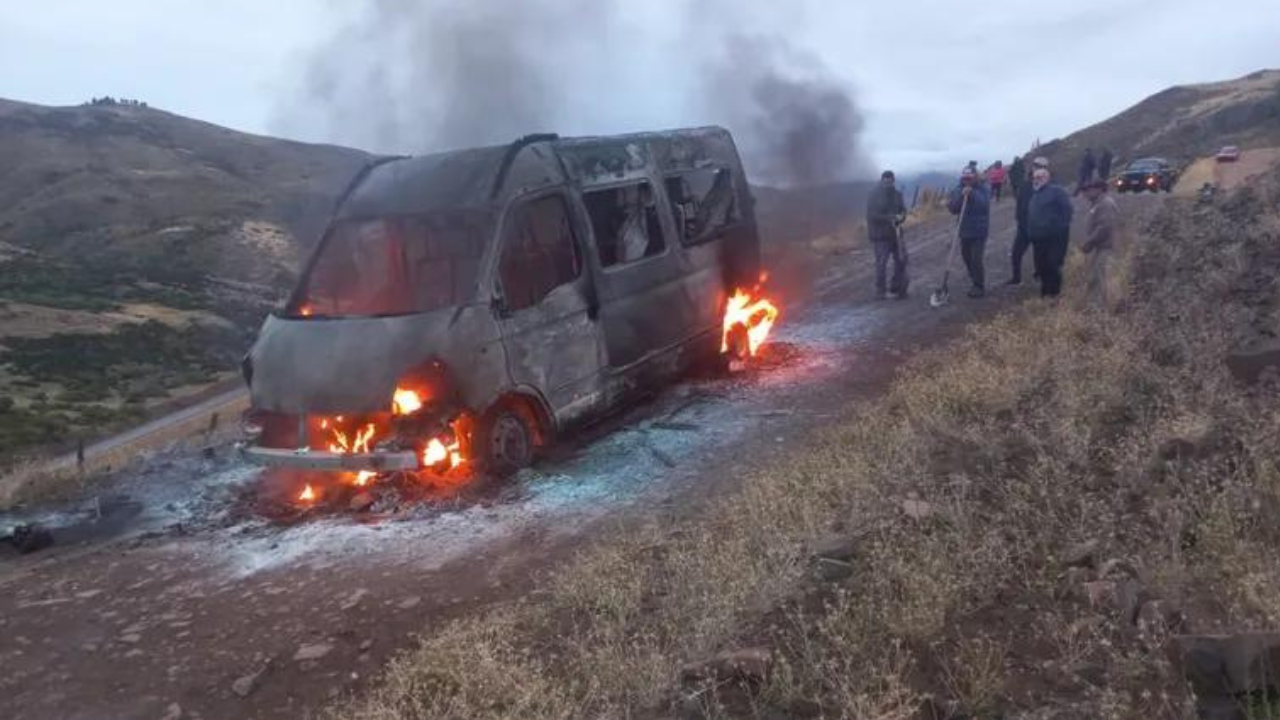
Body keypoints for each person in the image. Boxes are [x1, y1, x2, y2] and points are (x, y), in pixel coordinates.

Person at [1027, 166, 1074, 298]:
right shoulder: (1034, 195)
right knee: (1040, 266)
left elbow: (1068, 211)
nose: (1036, 180)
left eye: (1040, 177)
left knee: (1053, 264)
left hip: (1055, 237)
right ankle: (1045, 292)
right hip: (1038, 238)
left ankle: (1054, 294)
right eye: (1035, 178)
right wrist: (1030, 233)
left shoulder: (1057, 191)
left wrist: (1059, 229)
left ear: (1048, 178)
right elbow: (1031, 216)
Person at [947, 166, 992, 298]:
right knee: (967, 258)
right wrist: (961, 196)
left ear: (975, 176)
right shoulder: (958, 188)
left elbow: (984, 205)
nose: (967, 178)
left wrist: (971, 193)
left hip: (979, 230)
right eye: (965, 175)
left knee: (976, 259)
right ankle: (974, 279)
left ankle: (979, 286)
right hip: (964, 230)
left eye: (970, 175)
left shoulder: (983, 187)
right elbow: (953, 208)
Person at [865, 170, 908, 300]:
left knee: (902, 260)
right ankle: (880, 290)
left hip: (896, 234)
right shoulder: (873, 195)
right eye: (886, 181)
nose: (888, 183)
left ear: (893, 181)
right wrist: (888, 218)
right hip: (880, 236)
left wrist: (901, 217)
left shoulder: (897, 195)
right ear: (882, 180)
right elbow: (870, 216)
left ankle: (897, 286)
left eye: (890, 181)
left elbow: (903, 211)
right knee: (881, 263)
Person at [1080, 178, 1119, 308]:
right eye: (1084, 190)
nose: (1085, 193)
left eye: (1088, 190)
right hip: (1100, 247)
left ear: (1099, 189)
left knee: (1101, 277)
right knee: (1094, 277)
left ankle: (1101, 308)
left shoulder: (1105, 204)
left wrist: (1089, 242)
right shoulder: (1097, 203)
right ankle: (1094, 305)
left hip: (1106, 247)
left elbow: (1105, 227)